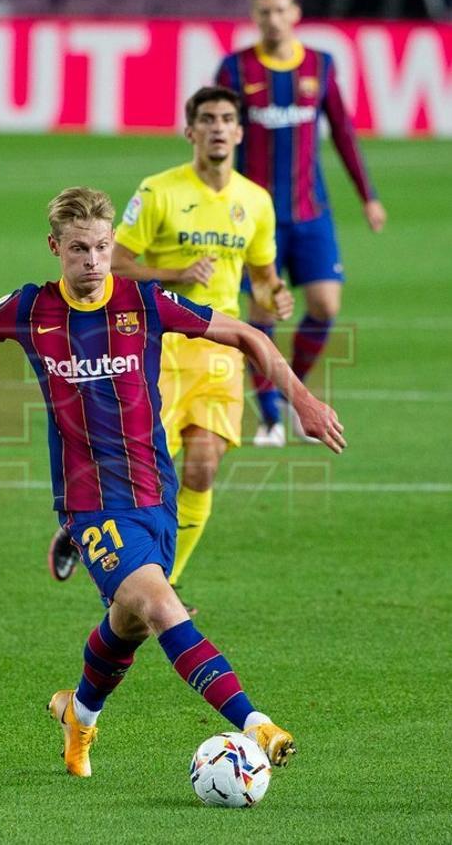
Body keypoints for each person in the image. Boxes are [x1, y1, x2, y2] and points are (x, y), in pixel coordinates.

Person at [0, 186, 346, 778]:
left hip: (154, 492)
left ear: (112, 245)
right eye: (79, 249)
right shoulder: (32, 308)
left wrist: (303, 401)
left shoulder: (144, 302)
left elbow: (247, 334)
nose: (92, 260)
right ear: (55, 248)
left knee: (128, 622)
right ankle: (257, 726)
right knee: (162, 606)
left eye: (101, 247)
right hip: (89, 502)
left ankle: (78, 713)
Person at [49, 86, 294, 609]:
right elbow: (116, 261)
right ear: (191, 131)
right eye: (207, 119)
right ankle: (82, 524)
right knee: (145, 473)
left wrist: (277, 294)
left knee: (203, 465)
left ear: (240, 131)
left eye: (228, 118)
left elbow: (265, 274)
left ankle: (167, 581)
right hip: (155, 347)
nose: (218, 128)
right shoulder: (158, 193)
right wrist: (176, 273)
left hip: (217, 352)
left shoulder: (256, 202)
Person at [215, 0, 387, 447]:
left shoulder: (320, 65)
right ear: (255, 16)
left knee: (325, 305)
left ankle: (294, 393)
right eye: (263, 11)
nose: (272, 19)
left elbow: (345, 133)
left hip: (311, 211)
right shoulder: (235, 69)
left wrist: (368, 196)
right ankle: (269, 414)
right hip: (254, 218)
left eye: (279, 10)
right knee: (261, 313)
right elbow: (216, 138)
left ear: (295, 14)